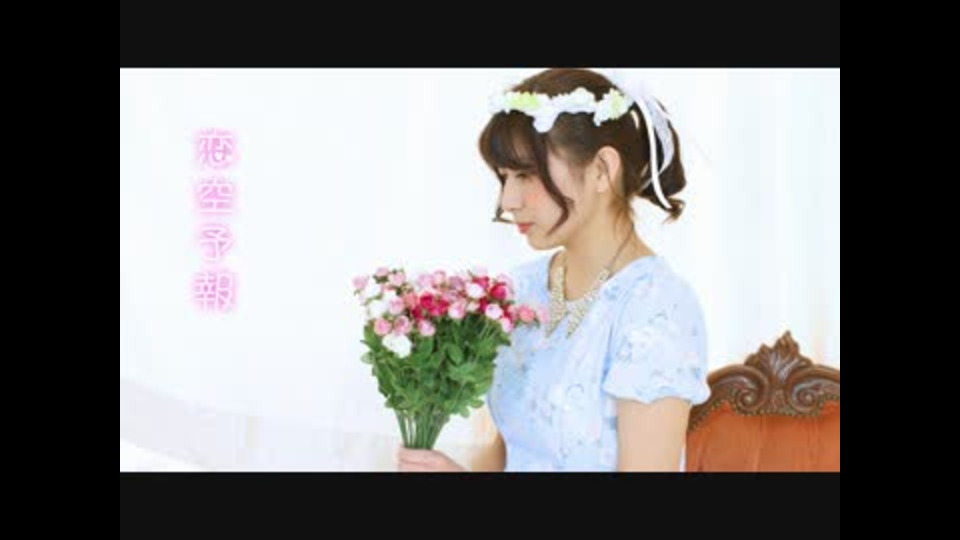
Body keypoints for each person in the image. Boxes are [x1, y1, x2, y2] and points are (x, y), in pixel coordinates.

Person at [397, 68, 710, 472]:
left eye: (526, 175)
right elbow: (512, 446)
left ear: (602, 169)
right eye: (504, 177)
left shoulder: (656, 309)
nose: (508, 200)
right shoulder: (522, 289)